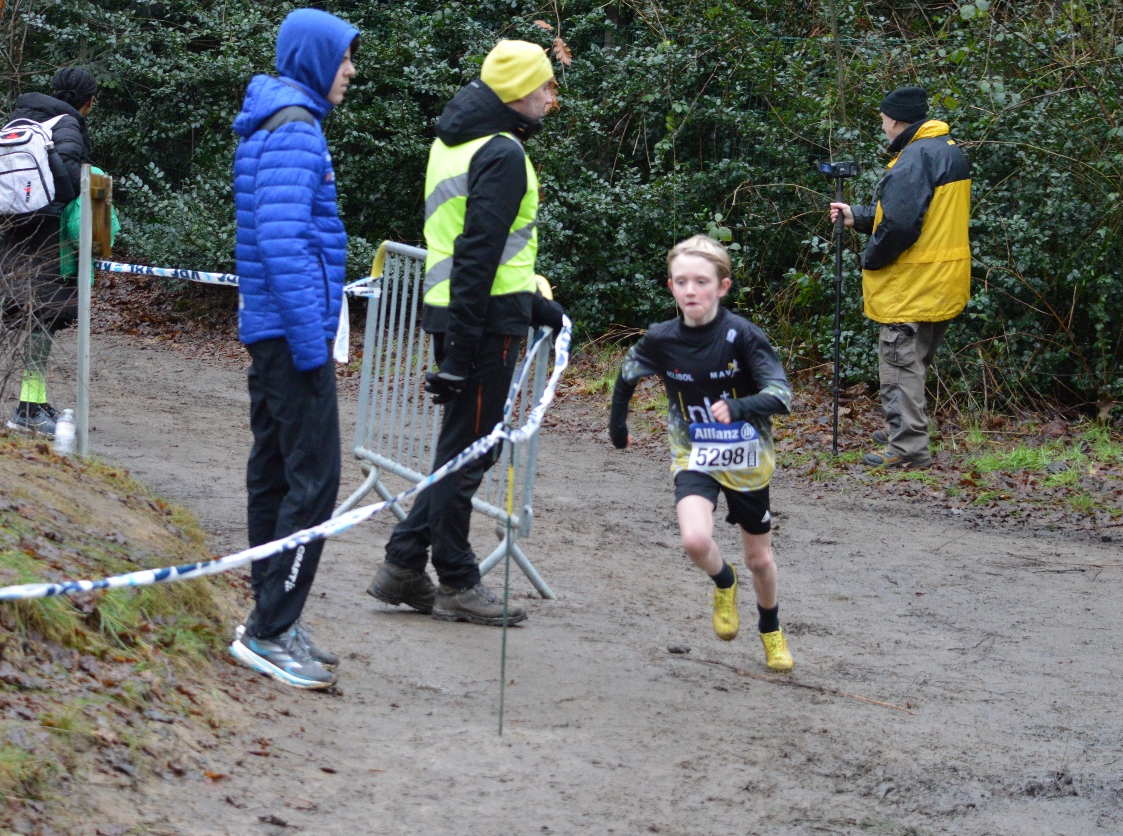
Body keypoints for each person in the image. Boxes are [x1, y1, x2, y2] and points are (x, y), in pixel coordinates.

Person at [366, 40, 566, 627]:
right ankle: (454, 578)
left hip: (458, 310)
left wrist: (530, 303)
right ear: (519, 92)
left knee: (462, 446)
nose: (553, 99)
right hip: (479, 323)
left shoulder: (453, 140)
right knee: (472, 452)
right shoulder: (502, 152)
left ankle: (404, 564)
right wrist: (464, 347)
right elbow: (477, 254)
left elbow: (475, 249)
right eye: (547, 87)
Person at [228, 8, 358, 691]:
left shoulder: (276, 119)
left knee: (276, 473)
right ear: (314, 58)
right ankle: (271, 629)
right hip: (290, 335)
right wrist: (314, 342)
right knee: (314, 482)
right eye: (343, 59)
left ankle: (272, 612)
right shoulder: (296, 130)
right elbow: (281, 244)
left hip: (274, 330)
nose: (351, 71)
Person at [608, 235, 795, 672]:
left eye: (701, 282)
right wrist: (618, 427)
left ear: (722, 287)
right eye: (681, 282)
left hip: (746, 456)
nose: (691, 290)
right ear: (671, 287)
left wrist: (740, 406)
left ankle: (771, 630)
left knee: (759, 559)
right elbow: (626, 375)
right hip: (694, 452)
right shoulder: (661, 338)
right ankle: (723, 580)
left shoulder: (742, 335)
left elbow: (782, 395)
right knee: (694, 539)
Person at [828, 86, 971, 469]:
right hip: (939, 280)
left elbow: (899, 226)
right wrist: (858, 216)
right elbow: (918, 215)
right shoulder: (946, 150)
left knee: (898, 366)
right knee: (914, 362)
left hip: (910, 284)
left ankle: (907, 446)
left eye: (882, 118)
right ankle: (902, 427)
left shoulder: (914, 159)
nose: (881, 125)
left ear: (895, 119)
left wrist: (869, 258)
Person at [0, 66, 97, 437]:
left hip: (11, 234)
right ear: (89, 99)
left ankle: (34, 402)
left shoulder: (21, 120)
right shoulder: (67, 124)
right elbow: (65, 178)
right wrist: (81, 186)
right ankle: (27, 410)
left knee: (36, 324)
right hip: (45, 240)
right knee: (41, 325)